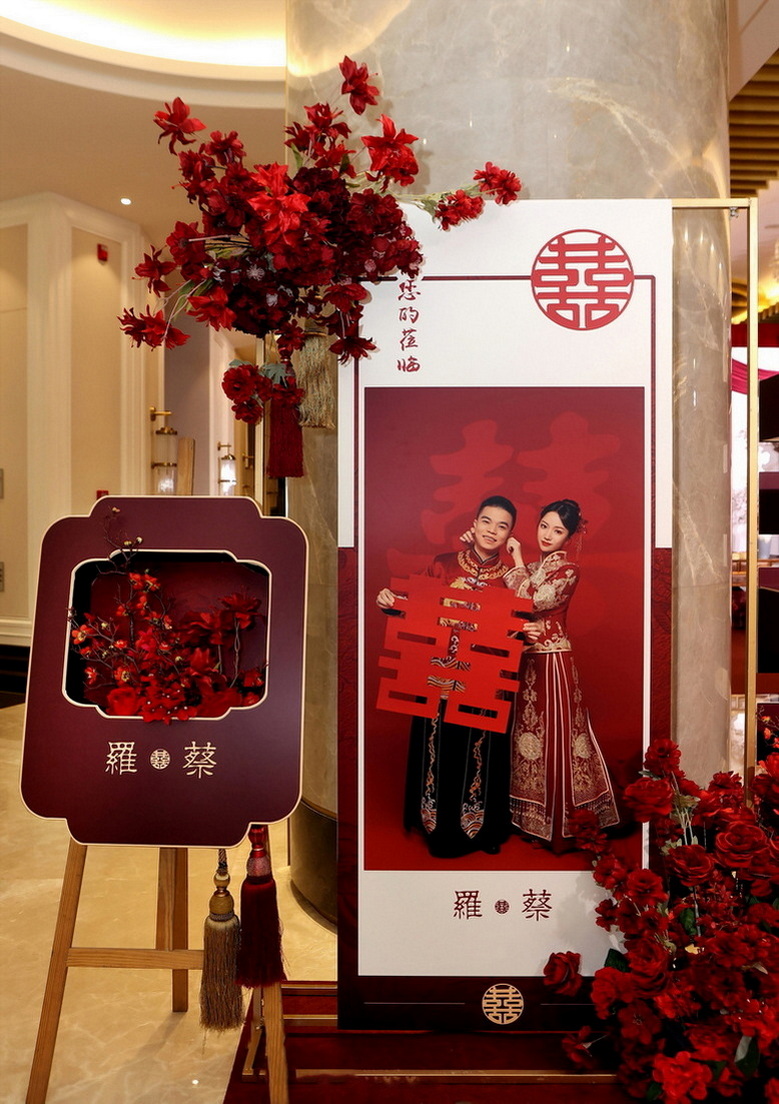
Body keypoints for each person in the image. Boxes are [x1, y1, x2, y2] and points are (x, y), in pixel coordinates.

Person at [377, 496, 517, 858]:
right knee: (438, 750)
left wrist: (524, 631)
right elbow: (415, 605)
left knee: (479, 754)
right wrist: (391, 601)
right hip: (439, 674)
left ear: (509, 535)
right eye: (487, 521)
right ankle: (437, 828)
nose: (492, 531)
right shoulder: (443, 565)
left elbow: (520, 625)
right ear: (475, 522)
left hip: (485, 680)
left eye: (502, 526)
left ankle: (482, 829)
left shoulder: (511, 579)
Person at [503, 499, 618, 852]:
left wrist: (517, 560)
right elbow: (506, 601)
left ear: (569, 537)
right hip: (526, 658)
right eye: (544, 526)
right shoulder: (535, 568)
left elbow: (531, 601)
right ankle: (530, 818)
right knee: (528, 737)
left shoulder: (568, 570)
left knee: (556, 735)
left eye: (557, 531)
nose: (548, 535)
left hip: (553, 660)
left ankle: (561, 822)